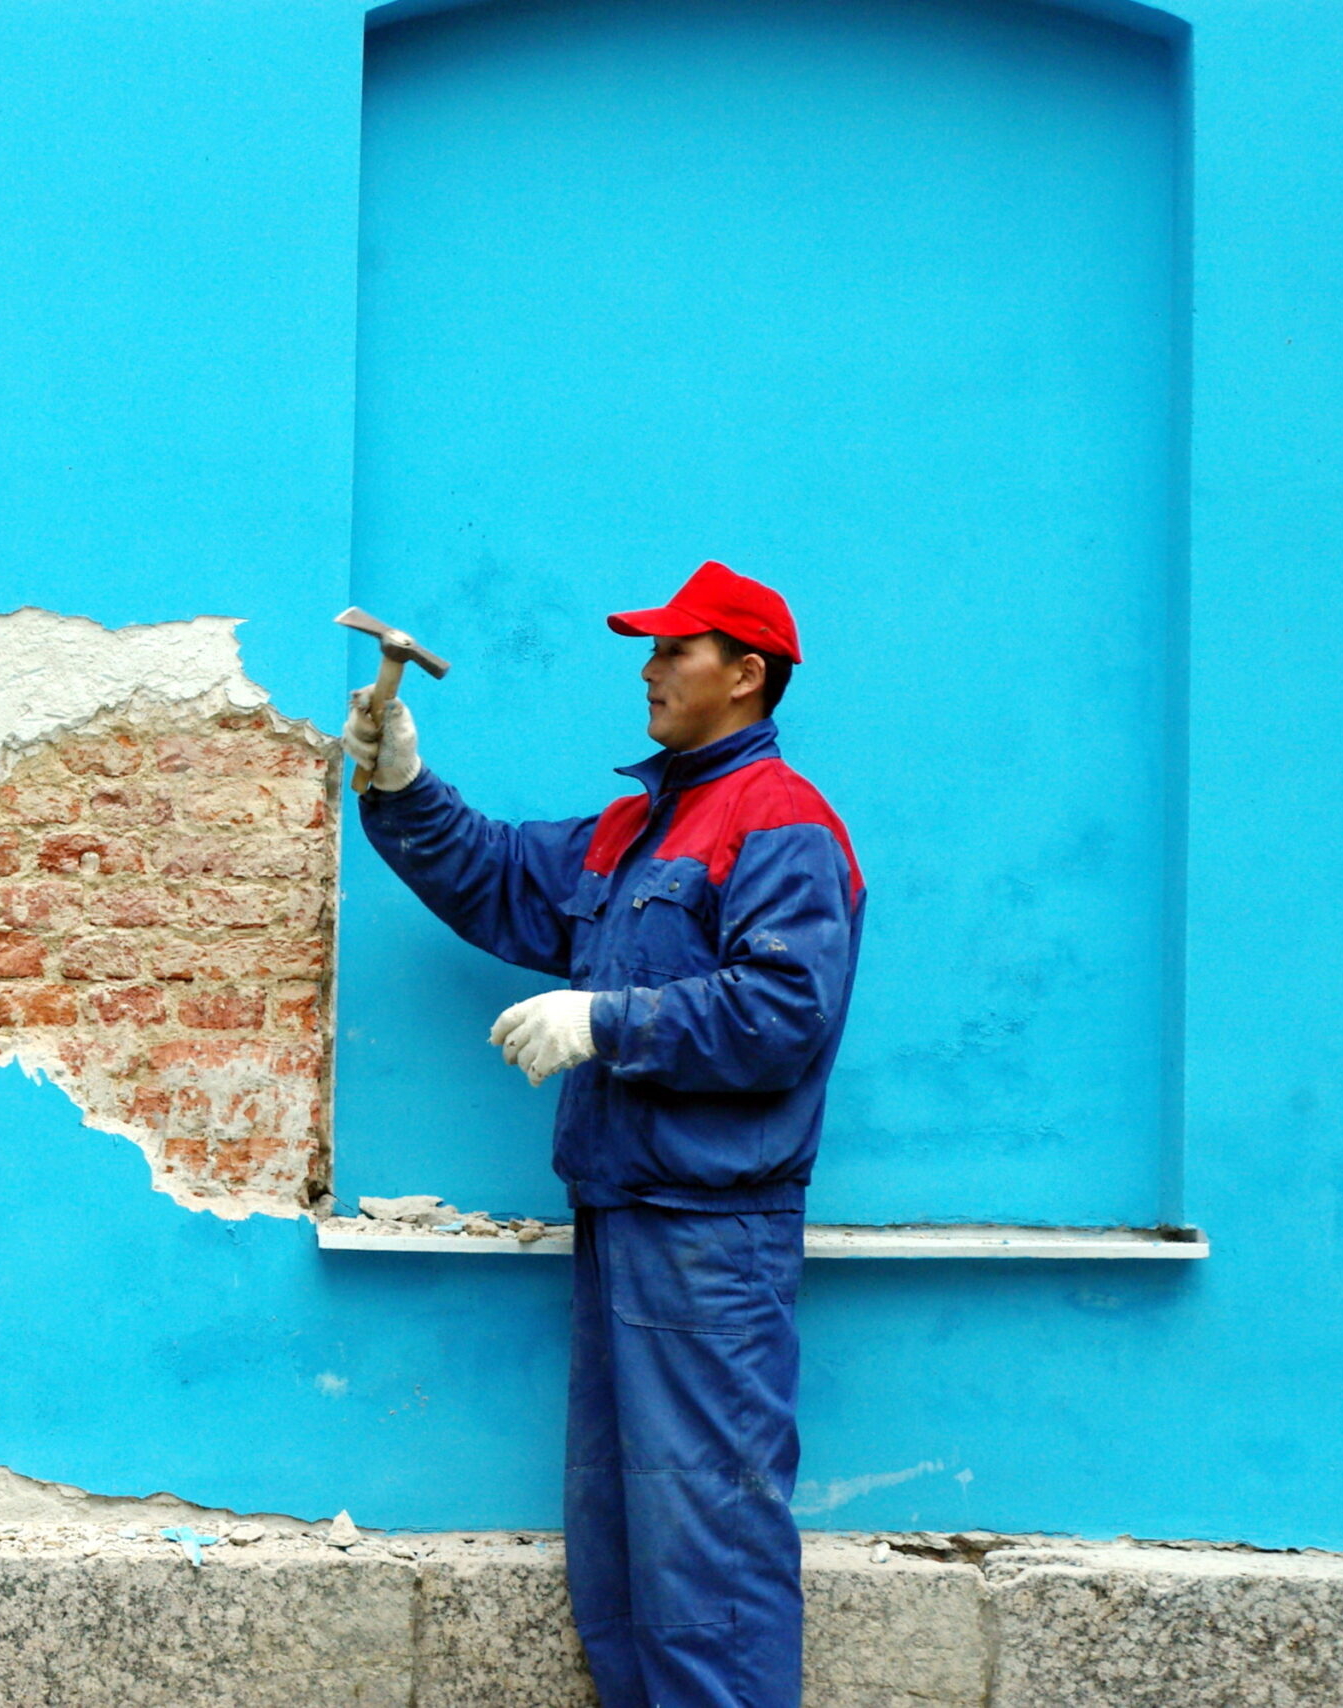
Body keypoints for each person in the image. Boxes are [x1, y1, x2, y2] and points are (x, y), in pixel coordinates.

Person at [344, 561, 863, 1708]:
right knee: (627, 1562)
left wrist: (605, 1016)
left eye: (675, 650)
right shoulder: (637, 826)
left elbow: (784, 1014)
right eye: (651, 647)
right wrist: (402, 782)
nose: (648, 667)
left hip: (713, 1235)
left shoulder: (780, 824)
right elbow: (499, 877)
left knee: (706, 1563)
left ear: (746, 672)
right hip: (627, 1212)